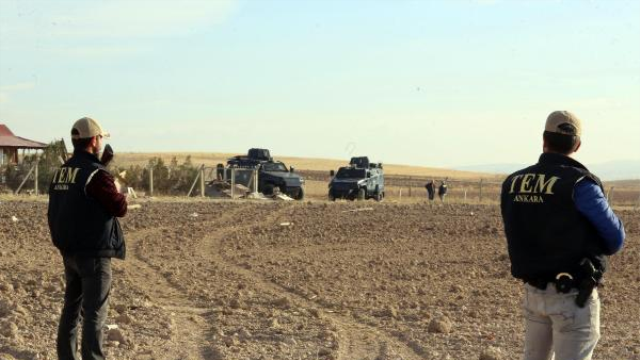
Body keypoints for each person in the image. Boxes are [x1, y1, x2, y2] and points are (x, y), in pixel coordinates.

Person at [500, 111, 625, 360]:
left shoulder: (513, 182)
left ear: (544, 140)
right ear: (577, 145)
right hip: (572, 297)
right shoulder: (580, 184)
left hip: (534, 294)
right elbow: (615, 238)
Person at [48, 117, 128, 360]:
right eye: (101, 138)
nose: (102, 142)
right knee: (94, 315)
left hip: (69, 253)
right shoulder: (96, 174)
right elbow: (119, 207)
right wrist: (112, 178)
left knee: (71, 312)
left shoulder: (62, 172)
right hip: (93, 254)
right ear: (94, 140)